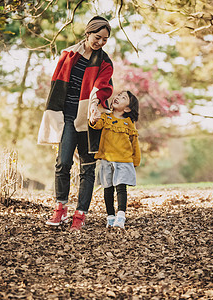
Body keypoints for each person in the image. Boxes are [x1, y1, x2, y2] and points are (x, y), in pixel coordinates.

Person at [37, 16, 113, 231]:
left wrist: (96, 100)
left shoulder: (105, 62)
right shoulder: (68, 55)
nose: (100, 42)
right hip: (67, 117)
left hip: (89, 119)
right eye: (98, 37)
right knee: (63, 163)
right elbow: (56, 86)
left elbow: (103, 86)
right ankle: (60, 208)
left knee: (87, 168)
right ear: (88, 33)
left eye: (105, 39)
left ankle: (80, 214)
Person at [89, 91, 140, 229]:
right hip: (106, 159)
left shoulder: (129, 123)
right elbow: (96, 125)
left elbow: (134, 141)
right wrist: (93, 119)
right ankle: (110, 217)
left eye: (123, 98)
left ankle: (121, 216)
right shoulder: (106, 117)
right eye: (118, 95)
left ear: (128, 108)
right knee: (108, 189)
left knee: (121, 188)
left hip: (123, 160)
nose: (117, 97)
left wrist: (135, 160)